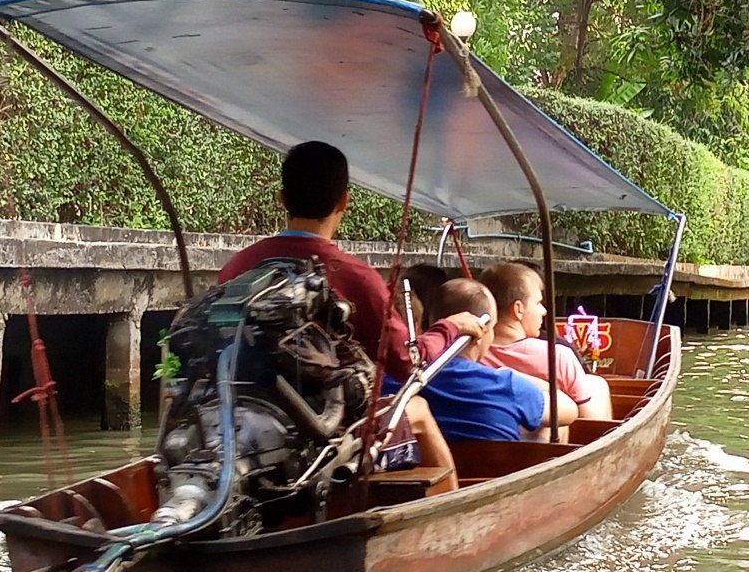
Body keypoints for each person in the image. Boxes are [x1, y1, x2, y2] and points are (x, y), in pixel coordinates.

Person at [219, 141, 475, 478]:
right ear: (344, 201)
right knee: (420, 410)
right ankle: (450, 520)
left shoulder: (237, 267)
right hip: (330, 433)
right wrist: (452, 326)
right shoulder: (355, 276)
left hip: (238, 424)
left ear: (282, 199)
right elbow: (406, 362)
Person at [419, 278, 577, 443]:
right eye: (493, 328)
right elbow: (569, 410)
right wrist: (511, 374)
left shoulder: (402, 380)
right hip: (505, 468)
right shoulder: (505, 384)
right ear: (480, 332)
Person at [478, 260, 614, 420]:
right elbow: (590, 424)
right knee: (598, 384)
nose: (544, 311)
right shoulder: (558, 356)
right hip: (552, 440)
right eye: (538, 303)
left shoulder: (469, 356)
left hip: (488, 434)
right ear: (518, 309)